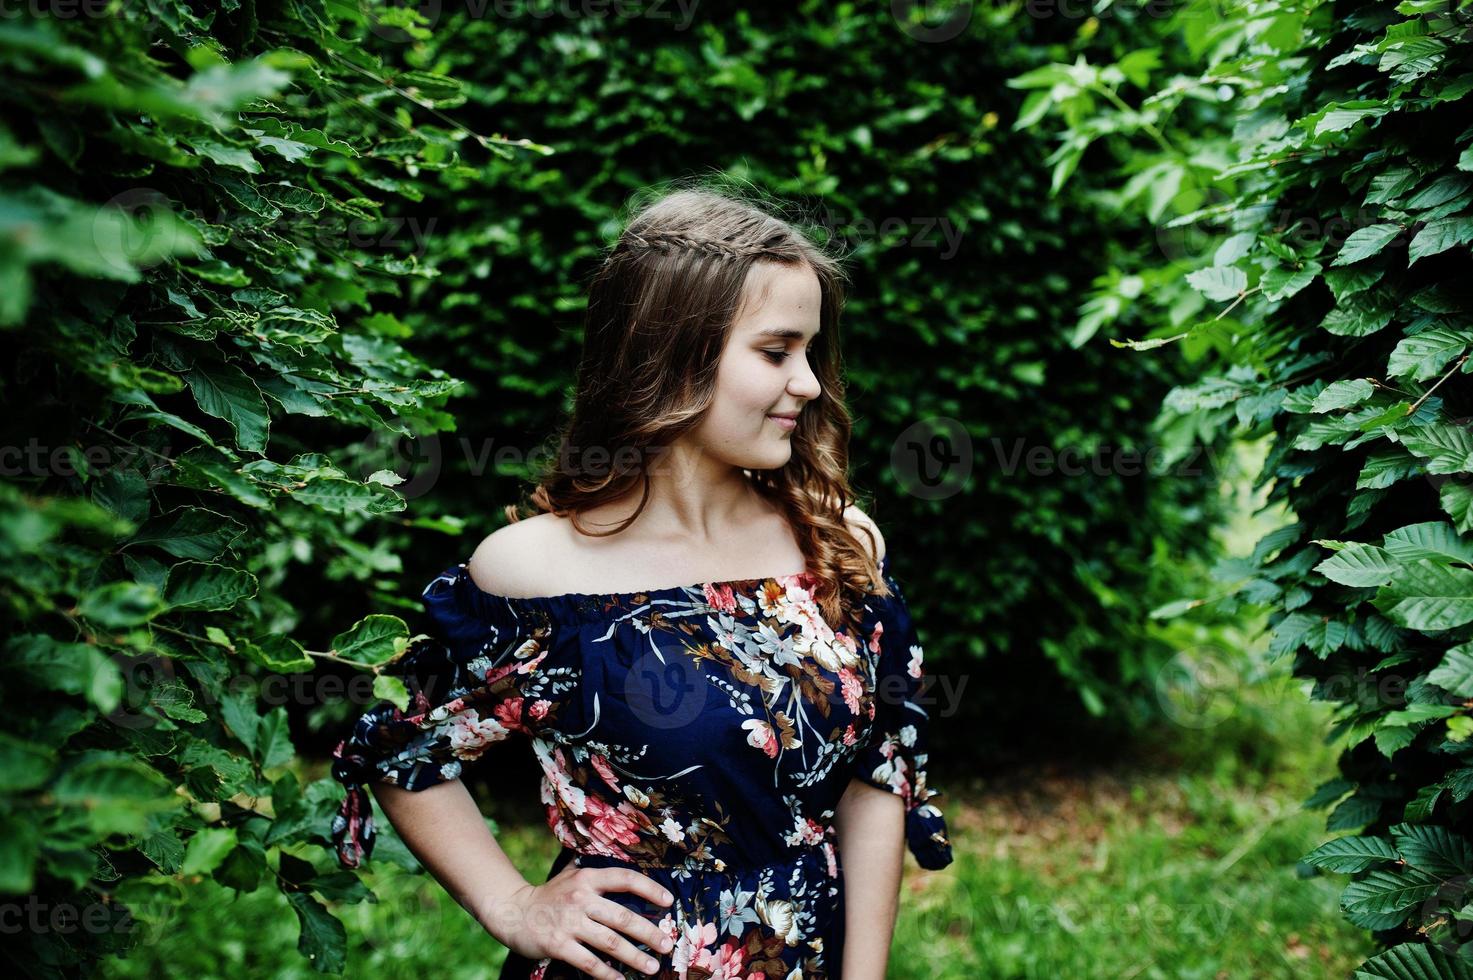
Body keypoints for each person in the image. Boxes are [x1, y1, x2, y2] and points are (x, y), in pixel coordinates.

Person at [329, 181, 954, 980]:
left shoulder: (835, 543)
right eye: (775, 352)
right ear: (672, 354)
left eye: (810, 352)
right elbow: (400, 749)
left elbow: (878, 774)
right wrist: (511, 904)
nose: (807, 382)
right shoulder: (538, 575)